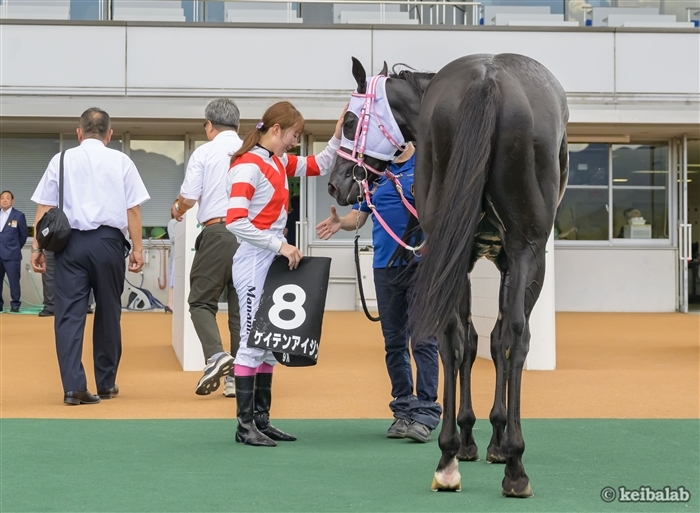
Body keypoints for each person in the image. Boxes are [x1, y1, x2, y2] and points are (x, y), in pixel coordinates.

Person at [226, 101, 344, 446]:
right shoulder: (248, 166)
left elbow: (320, 165)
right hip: (254, 260)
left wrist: (337, 137)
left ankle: (260, 421)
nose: (295, 141)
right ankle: (244, 426)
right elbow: (234, 220)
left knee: (267, 343)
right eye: (293, 134)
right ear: (276, 130)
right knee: (251, 342)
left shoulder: (276, 160)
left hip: (269, 257)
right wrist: (279, 246)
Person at [316, 142, 442, 443]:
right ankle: (402, 409)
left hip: (421, 264)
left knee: (423, 339)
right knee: (394, 342)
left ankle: (426, 412)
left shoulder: (427, 167)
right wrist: (339, 223)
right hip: (385, 266)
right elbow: (359, 216)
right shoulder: (375, 173)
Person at [30, 107, 149, 406]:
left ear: (79, 133)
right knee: (109, 312)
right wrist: (137, 248)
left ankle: (73, 387)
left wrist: (37, 248)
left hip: (68, 244)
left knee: (68, 315)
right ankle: (106, 383)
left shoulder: (60, 160)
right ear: (110, 135)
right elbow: (133, 209)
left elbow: (44, 208)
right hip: (109, 243)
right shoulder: (122, 161)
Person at [171, 98, 243, 398]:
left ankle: (216, 355)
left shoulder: (205, 152)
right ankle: (238, 378)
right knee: (241, 309)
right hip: (250, 236)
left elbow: (188, 197)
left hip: (217, 232)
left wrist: (177, 208)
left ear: (209, 126)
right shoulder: (252, 151)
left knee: (201, 302)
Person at [0, 191, 28, 313]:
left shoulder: (18, 215)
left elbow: (23, 235)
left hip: (12, 254)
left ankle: (15, 304)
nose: (4, 200)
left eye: (7, 198)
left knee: (14, 281)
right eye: (2, 198)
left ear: (12, 201)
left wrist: (15, 247)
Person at [166, 199, 178, 311]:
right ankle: (170, 304)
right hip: (175, 257)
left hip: (183, 256)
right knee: (173, 280)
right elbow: (173, 238)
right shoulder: (173, 222)